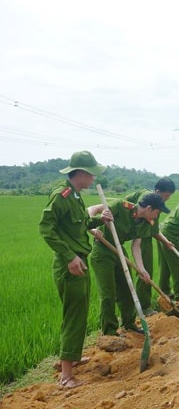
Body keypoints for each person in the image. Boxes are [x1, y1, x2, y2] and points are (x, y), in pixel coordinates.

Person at [39, 151, 108, 389]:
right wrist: (69, 256)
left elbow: (80, 225)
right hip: (70, 265)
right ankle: (66, 375)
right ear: (80, 173)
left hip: (80, 261)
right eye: (91, 175)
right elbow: (46, 228)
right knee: (73, 316)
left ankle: (73, 357)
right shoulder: (62, 195)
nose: (93, 180)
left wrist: (101, 219)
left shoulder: (76, 196)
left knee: (80, 312)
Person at [90, 193, 171, 337]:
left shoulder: (145, 223)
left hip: (119, 250)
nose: (156, 217)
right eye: (157, 213)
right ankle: (109, 332)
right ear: (149, 208)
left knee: (127, 289)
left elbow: (136, 246)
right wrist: (93, 227)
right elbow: (91, 209)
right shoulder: (121, 206)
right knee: (108, 294)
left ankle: (129, 324)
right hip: (102, 249)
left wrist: (141, 269)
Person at [125, 177, 176, 316]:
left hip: (145, 236)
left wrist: (166, 242)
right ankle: (143, 307)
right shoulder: (149, 201)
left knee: (148, 270)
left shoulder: (156, 206)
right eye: (166, 196)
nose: (166, 199)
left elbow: (154, 230)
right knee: (144, 271)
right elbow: (139, 229)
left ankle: (144, 304)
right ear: (157, 191)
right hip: (139, 237)